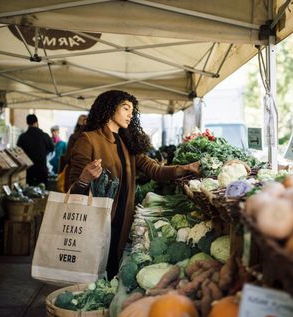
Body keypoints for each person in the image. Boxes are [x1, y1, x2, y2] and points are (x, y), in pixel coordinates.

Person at [69, 90, 199, 278]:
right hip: (97, 222)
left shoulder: (126, 143)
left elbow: (155, 170)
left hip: (122, 222)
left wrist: (185, 168)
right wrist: (85, 178)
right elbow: (72, 188)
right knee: (93, 273)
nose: (131, 114)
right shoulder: (88, 140)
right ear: (110, 108)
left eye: (132, 110)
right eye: (125, 108)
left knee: (113, 271)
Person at [17, 114, 54, 187]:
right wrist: (44, 152)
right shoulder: (44, 135)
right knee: (42, 192)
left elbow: (18, 151)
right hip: (41, 168)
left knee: (28, 192)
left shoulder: (22, 137)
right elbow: (52, 148)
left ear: (27, 123)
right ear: (36, 122)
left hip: (28, 169)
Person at [61, 114, 87, 191]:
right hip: (88, 175)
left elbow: (67, 158)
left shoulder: (74, 137)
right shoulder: (93, 137)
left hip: (73, 173)